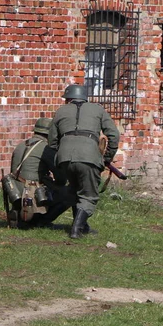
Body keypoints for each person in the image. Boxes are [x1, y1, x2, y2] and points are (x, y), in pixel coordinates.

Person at [48, 84, 120, 239]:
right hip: (89, 157)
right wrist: (106, 158)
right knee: (89, 195)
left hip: (65, 158)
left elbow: (52, 141)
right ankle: (76, 230)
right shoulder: (98, 109)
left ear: (69, 98)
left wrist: (62, 152)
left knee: (75, 190)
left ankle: (83, 227)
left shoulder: (60, 111)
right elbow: (113, 135)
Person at [6, 117, 68, 229]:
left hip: (16, 194)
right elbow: (61, 178)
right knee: (69, 194)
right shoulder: (46, 149)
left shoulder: (21, 145)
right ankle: (41, 220)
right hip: (31, 194)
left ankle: (19, 213)